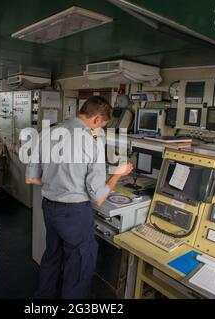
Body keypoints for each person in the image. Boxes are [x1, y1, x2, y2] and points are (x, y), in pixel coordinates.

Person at [25, 96, 133, 299]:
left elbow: (31, 178)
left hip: (49, 208)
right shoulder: (91, 143)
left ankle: (43, 298)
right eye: (101, 126)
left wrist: (58, 184)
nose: (98, 130)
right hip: (74, 213)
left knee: (52, 254)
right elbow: (99, 198)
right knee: (80, 262)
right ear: (97, 119)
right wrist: (119, 173)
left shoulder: (48, 132)